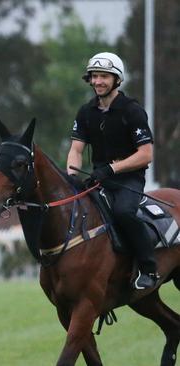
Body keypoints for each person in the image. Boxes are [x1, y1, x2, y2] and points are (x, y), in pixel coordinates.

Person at [66, 51, 157, 290]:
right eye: (94, 76)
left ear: (117, 80)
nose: (98, 82)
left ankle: (149, 268)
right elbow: (76, 150)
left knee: (123, 212)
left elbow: (146, 154)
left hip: (129, 180)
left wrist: (111, 169)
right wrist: (72, 177)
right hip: (99, 178)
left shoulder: (132, 110)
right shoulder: (85, 112)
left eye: (104, 76)